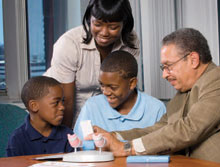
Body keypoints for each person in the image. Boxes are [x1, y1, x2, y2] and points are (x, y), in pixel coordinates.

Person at [88, 28, 220, 167]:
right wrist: (114, 137)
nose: (164, 74)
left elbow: (189, 128)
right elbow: (159, 128)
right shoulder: (184, 93)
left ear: (193, 59)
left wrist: (126, 148)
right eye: (162, 68)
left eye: (168, 66)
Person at [44, 0, 140, 128]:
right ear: (89, 19)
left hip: (100, 116)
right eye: (98, 24)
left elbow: (124, 89)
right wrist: (67, 137)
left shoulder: (130, 41)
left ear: (124, 24)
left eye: (113, 27)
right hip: (63, 114)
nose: (104, 33)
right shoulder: (69, 44)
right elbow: (66, 101)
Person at [73, 50, 166, 149]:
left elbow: (164, 146)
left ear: (132, 83)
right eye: (102, 85)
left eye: (113, 87)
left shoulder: (156, 109)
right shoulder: (92, 106)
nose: (105, 92)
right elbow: (82, 146)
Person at [6, 76, 74, 157]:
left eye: (62, 101)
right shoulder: (17, 139)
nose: (62, 107)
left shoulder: (68, 135)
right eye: (56, 102)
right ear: (34, 106)